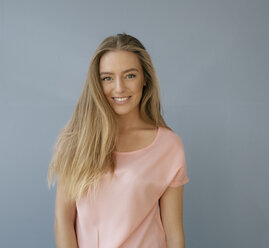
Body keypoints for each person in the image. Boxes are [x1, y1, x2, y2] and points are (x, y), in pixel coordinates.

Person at [47, 33, 190, 248]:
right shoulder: (75, 140)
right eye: (107, 78)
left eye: (129, 75)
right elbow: (63, 221)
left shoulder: (169, 146)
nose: (119, 88)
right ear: (97, 83)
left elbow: (173, 231)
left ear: (145, 79)